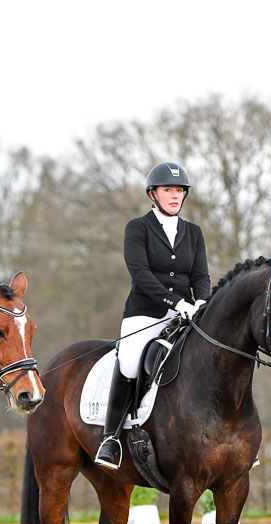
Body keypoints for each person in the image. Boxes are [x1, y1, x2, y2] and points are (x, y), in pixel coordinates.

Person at [95, 161, 211, 469]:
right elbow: (140, 273)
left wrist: (201, 301)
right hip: (144, 313)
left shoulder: (193, 232)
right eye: (168, 190)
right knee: (131, 360)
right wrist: (175, 301)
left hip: (186, 315)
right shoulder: (138, 228)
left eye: (179, 191)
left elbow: (201, 275)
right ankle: (111, 438)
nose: (175, 196)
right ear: (153, 193)